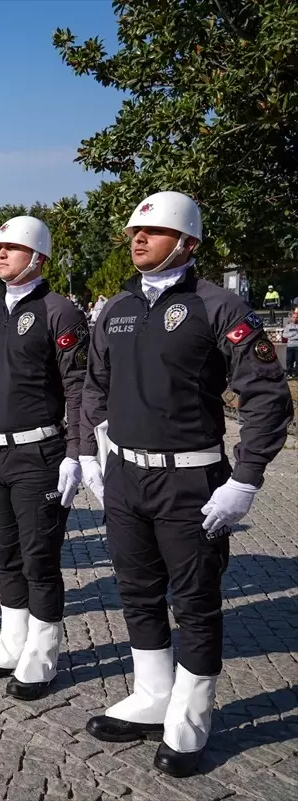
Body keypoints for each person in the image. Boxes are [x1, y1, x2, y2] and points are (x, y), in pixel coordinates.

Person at [78, 191, 293, 778]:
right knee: (137, 590)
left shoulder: (219, 307)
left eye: (153, 231)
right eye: (134, 232)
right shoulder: (117, 308)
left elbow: (268, 397)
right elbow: (94, 382)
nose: (138, 239)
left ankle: (191, 719)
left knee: (194, 603)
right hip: (124, 477)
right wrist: (93, 445)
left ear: (188, 242)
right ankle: (153, 693)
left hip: (190, 481)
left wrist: (245, 478)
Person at [0, 215, 87, 701]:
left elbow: (78, 388)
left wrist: (77, 453)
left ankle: (43, 649)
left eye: (11, 248)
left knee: (39, 556)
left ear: (37, 256)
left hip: (40, 452)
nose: (0, 254)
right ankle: (12, 641)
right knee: (5, 551)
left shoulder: (61, 311)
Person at [284, 308, 298, 378]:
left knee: (297, 361)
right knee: (289, 361)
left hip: (297, 346)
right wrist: (293, 335)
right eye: (294, 317)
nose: (295, 319)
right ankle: (289, 373)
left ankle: (295, 374)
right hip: (289, 346)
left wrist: (290, 336)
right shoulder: (288, 326)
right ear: (291, 318)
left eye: (296, 317)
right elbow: (284, 335)